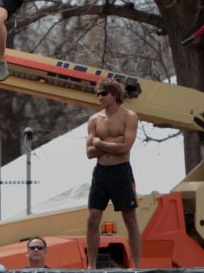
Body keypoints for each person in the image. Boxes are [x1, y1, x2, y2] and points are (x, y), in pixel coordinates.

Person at [85, 78, 141, 269]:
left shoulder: (129, 116)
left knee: (130, 219)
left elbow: (125, 148)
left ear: (115, 94)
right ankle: (91, 266)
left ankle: (137, 266)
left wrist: (100, 142)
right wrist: (112, 142)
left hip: (121, 172)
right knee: (92, 219)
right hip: (101, 173)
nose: (99, 97)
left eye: (103, 93)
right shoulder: (94, 120)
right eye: (97, 94)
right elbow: (89, 153)